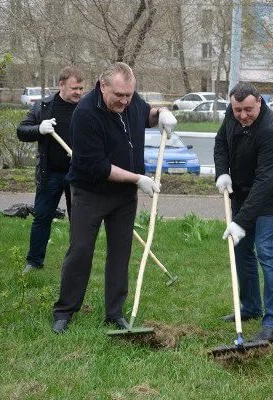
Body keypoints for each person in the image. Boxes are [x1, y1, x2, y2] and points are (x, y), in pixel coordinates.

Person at [51, 62, 176, 333]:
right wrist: (138, 179)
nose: (124, 101)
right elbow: (96, 166)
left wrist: (162, 113)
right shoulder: (85, 114)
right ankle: (64, 311)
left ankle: (114, 313)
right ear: (102, 85)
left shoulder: (130, 101)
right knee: (81, 250)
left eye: (129, 95)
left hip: (124, 197)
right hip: (90, 193)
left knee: (120, 253)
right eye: (118, 95)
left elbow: (146, 115)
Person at [213, 82, 273, 343]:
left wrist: (242, 221)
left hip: (270, 197)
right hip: (242, 190)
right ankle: (250, 307)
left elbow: (266, 182)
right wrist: (222, 172)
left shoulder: (272, 132)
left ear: (259, 102)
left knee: (267, 253)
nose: (243, 115)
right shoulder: (231, 114)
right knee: (241, 250)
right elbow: (220, 143)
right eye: (238, 110)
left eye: (248, 109)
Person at [17, 66, 85, 273]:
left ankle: (75, 265)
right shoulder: (44, 107)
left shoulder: (87, 108)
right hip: (51, 174)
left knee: (79, 221)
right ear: (61, 85)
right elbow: (21, 131)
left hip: (78, 174)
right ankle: (34, 262)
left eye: (82, 88)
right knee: (42, 217)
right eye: (75, 88)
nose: (79, 93)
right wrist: (39, 129)